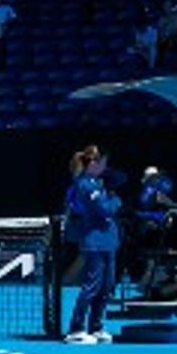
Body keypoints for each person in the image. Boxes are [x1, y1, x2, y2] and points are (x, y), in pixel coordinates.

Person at [64, 145, 121, 343]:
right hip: (94, 242)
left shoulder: (97, 183)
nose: (105, 167)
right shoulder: (85, 185)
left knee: (106, 286)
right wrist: (116, 200)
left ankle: (96, 327)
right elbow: (105, 210)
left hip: (108, 242)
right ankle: (75, 330)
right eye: (103, 163)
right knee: (91, 287)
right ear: (94, 164)